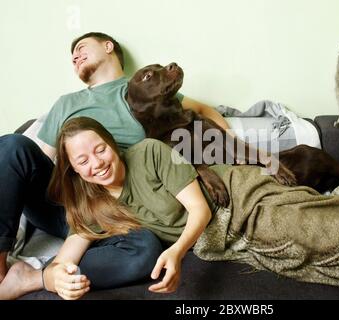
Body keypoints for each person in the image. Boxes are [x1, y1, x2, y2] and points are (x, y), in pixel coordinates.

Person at [0, 32, 229, 287]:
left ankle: (41, 277)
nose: (75, 56)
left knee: (145, 248)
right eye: (72, 56)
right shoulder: (66, 103)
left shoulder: (144, 88)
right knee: (13, 145)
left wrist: (230, 139)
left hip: (118, 210)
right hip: (68, 202)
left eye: (81, 47)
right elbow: (31, 165)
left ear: (108, 46)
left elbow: (202, 111)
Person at [0, 117, 212, 299]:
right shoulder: (86, 200)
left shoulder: (150, 152)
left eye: (100, 150)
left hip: (127, 235)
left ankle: (29, 277)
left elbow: (199, 208)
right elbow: (67, 256)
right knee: (13, 145)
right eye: (83, 161)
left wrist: (178, 250)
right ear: (73, 169)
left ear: (111, 142)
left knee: (146, 248)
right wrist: (54, 277)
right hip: (81, 217)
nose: (97, 163)